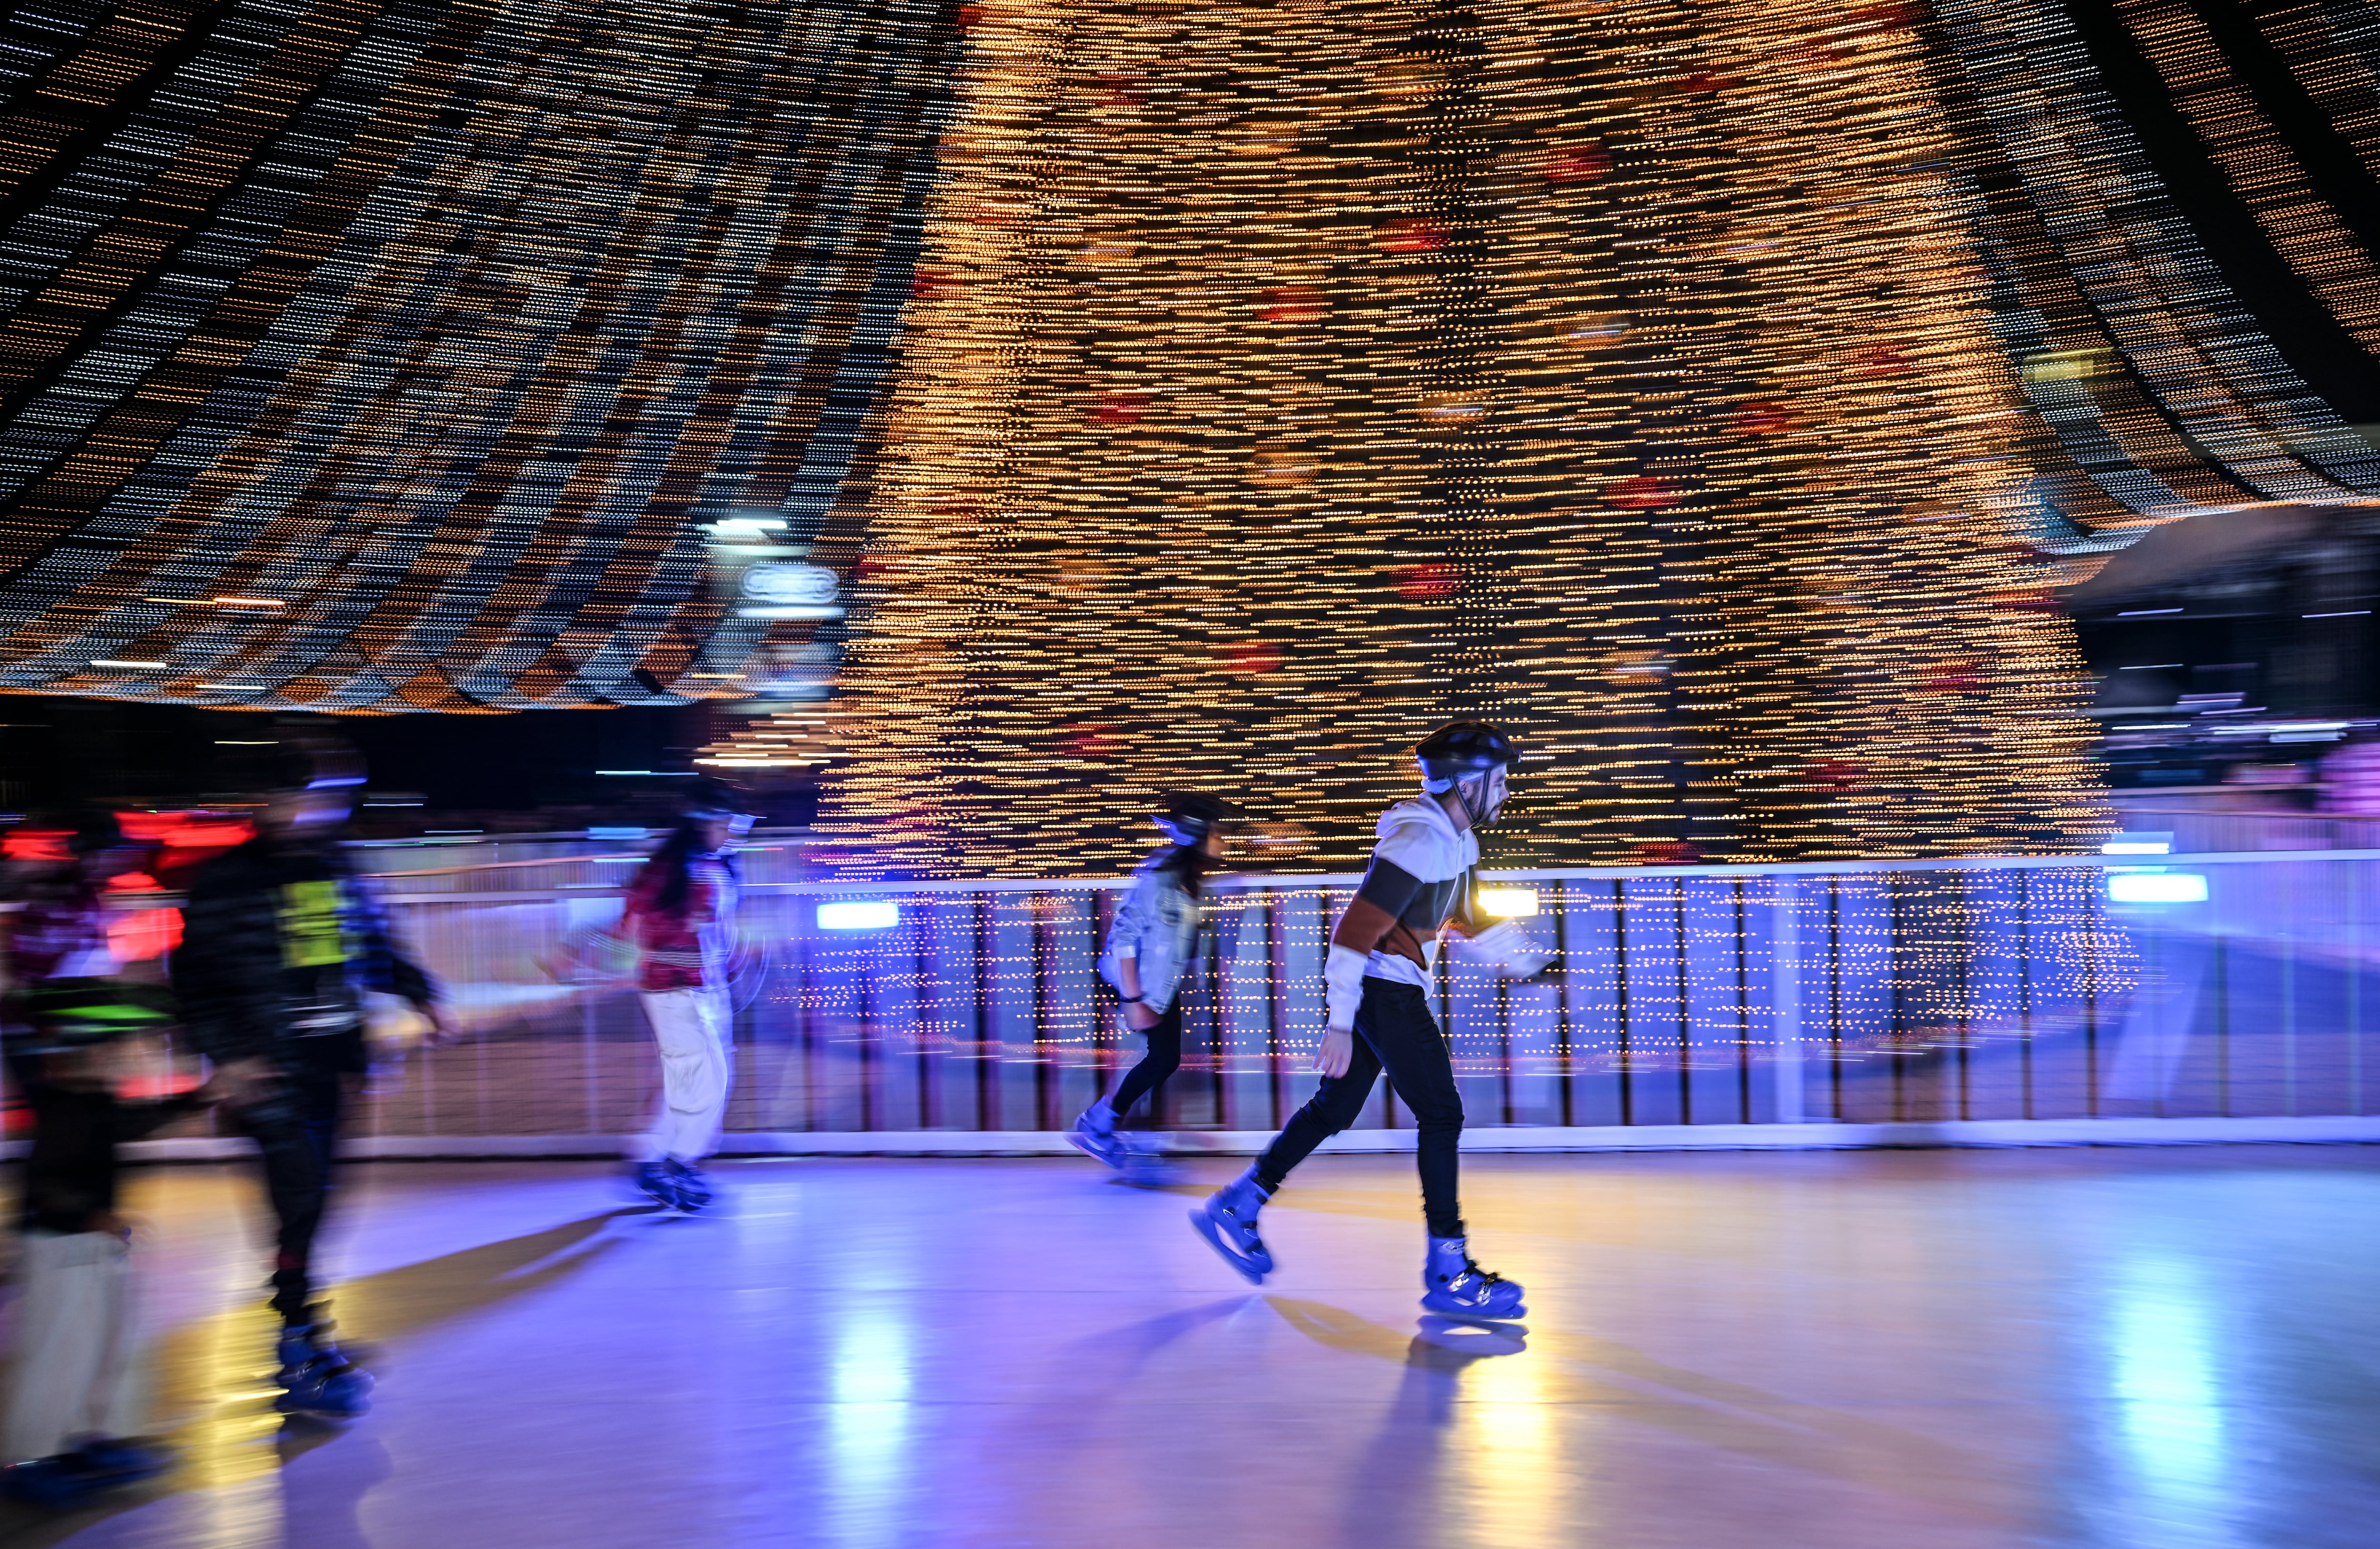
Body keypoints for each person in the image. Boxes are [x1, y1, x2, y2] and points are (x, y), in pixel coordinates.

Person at [1190, 722, 1541, 1322]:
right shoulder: (1417, 842)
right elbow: (1353, 932)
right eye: (1500, 781)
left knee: (1334, 1109)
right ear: (1466, 783)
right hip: (1383, 990)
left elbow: (1468, 916)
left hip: (1390, 988)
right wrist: (1340, 1022)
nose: (1506, 793)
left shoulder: (1455, 842)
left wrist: (1533, 968)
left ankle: (1238, 1203)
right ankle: (1448, 1270)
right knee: (1441, 1114)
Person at [174, 740, 448, 1419]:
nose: (321, 810)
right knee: (299, 1204)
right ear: (272, 800)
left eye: (333, 797)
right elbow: (193, 984)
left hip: (330, 1063)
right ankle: (296, 1347)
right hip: (266, 1072)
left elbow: (374, 948)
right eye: (309, 796)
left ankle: (305, 1334)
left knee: (319, 1201)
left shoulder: (334, 867)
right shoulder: (225, 880)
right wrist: (229, 1057)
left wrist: (419, 991)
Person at [1, 811, 211, 1507]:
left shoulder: (96, 1095)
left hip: (89, 1222)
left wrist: (204, 1096)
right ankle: (34, 1454)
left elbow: (129, 1117)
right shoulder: (68, 1095)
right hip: (63, 1225)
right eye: (123, 1046)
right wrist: (87, 1210)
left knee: (116, 1325)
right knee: (62, 1340)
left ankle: (105, 1432)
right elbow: (49, 1176)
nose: (135, 1055)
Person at [1070, 793, 1241, 1167]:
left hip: (1158, 985)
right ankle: (1099, 1125)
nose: (1225, 838)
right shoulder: (1159, 878)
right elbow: (1123, 937)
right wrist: (1133, 1000)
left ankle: (1105, 1123)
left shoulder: (1189, 879)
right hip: (1135, 984)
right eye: (1218, 831)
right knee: (1163, 1059)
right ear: (1198, 834)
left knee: (1165, 1059)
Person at [617, 780, 752, 1212]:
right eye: (727, 823)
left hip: (709, 988)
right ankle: (677, 1163)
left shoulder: (719, 863)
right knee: (704, 1079)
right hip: (673, 988)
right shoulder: (669, 868)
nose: (732, 832)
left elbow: (718, 928)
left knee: (698, 1077)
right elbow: (635, 920)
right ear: (704, 822)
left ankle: (652, 1159)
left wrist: (729, 963)